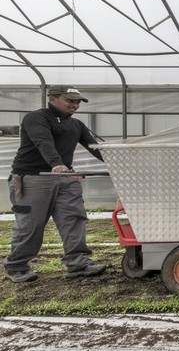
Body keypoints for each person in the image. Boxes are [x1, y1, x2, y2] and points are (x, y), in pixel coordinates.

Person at [3, 85, 107, 282]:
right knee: (30, 224)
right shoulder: (36, 118)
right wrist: (57, 164)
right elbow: (43, 142)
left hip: (65, 178)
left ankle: (78, 262)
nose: (75, 105)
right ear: (53, 99)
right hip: (34, 178)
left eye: (77, 102)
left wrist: (120, 163)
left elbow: (96, 148)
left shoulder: (76, 125)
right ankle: (17, 265)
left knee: (74, 219)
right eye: (70, 101)